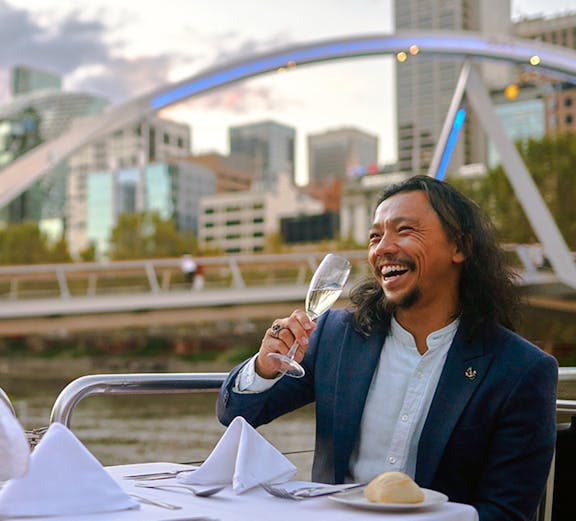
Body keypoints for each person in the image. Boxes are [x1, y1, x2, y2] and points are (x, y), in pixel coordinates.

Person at [217, 175, 558, 521]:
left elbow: (507, 511)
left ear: (460, 247)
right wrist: (263, 366)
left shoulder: (520, 371)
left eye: (404, 230)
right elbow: (235, 414)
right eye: (375, 236)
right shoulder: (336, 336)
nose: (382, 248)